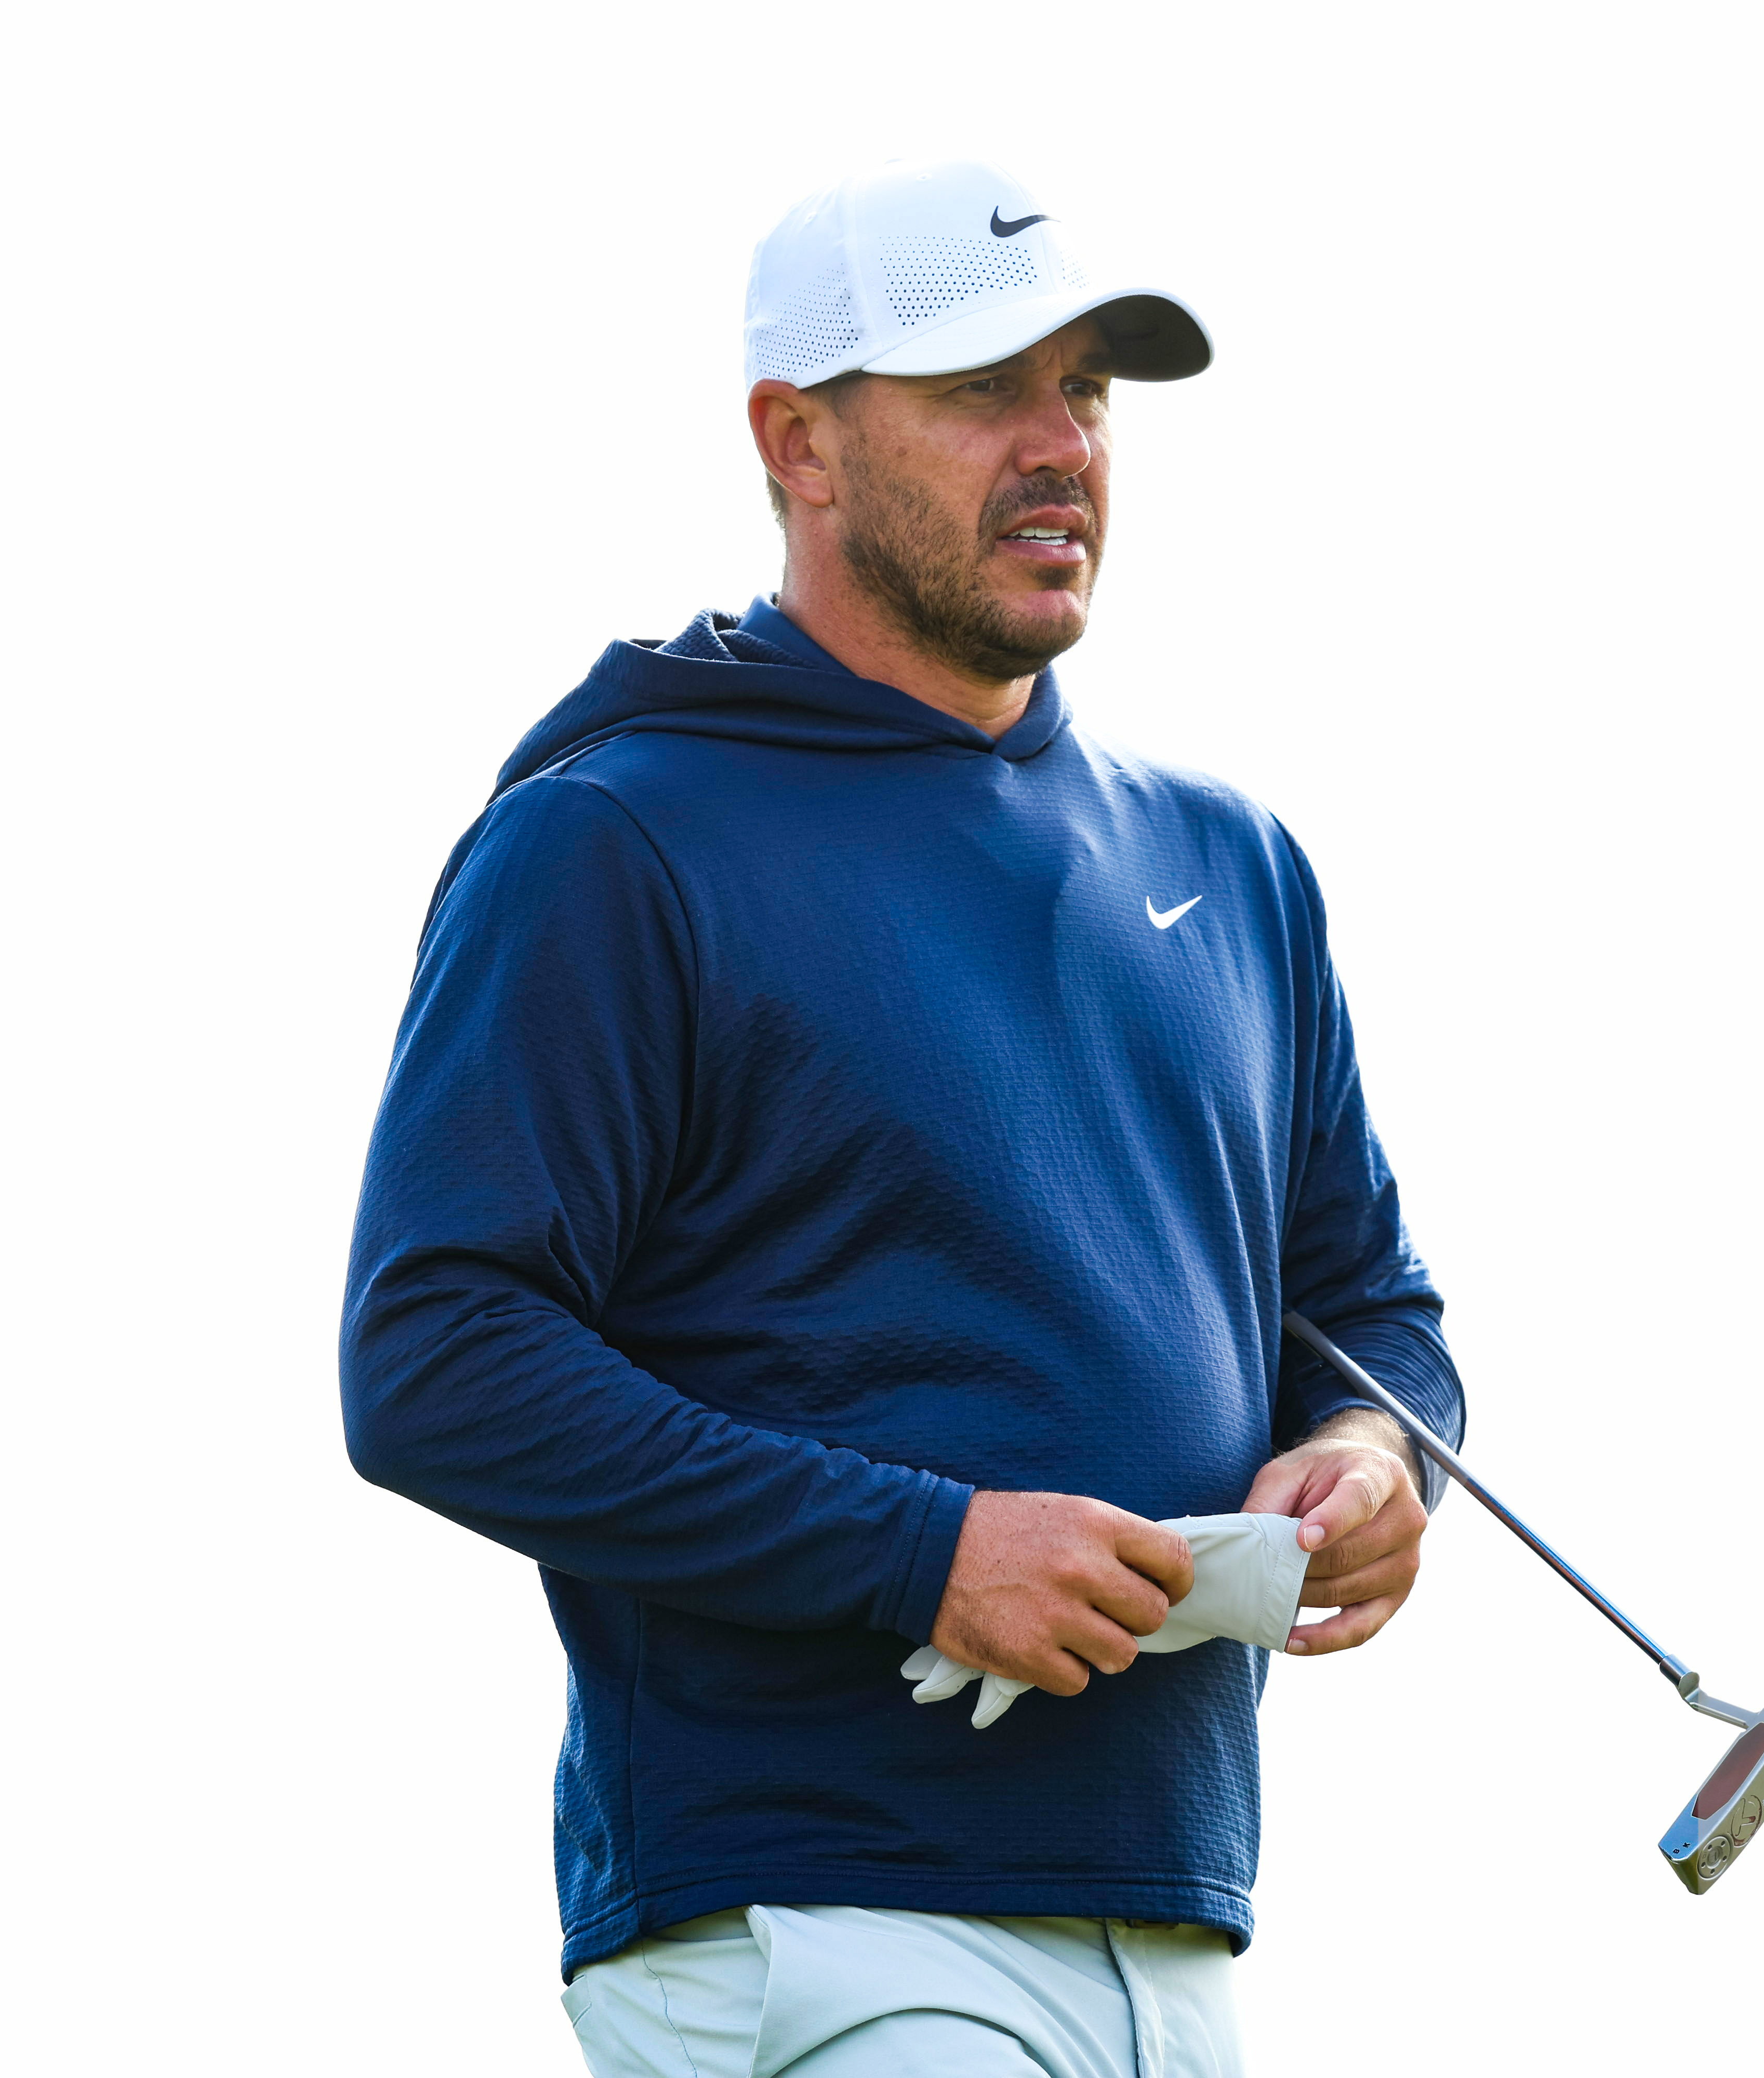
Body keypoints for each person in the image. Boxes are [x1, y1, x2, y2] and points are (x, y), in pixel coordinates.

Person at [340, 158, 1466, 2078]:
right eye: (980, 393)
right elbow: (436, 1360)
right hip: (810, 1916)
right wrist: (926, 1550)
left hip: (1175, 1920)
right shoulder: (616, 839)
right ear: (801, 444)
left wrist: (1380, 1462)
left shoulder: (1232, 864)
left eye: (1090, 393)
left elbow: (1367, 1310)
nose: (1061, 451)